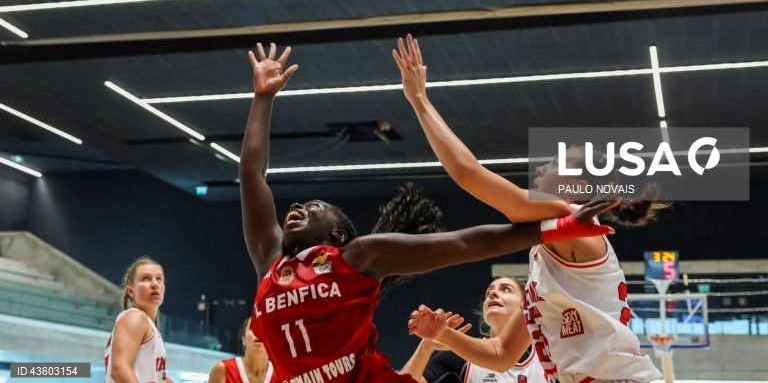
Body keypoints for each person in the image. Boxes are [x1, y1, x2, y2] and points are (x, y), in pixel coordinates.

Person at [239, 43, 616, 383]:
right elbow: (252, 174)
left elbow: (464, 229)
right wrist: (262, 98)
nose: (539, 170)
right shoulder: (272, 264)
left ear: (338, 234)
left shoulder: (353, 258)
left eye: (552, 163)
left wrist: (561, 225)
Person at [394, 34, 664, 383]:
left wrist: (419, 100)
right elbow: (501, 355)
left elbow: (468, 173)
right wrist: (443, 335)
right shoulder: (548, 255)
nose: (540, 169)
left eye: (554, 162)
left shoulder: (568, 218)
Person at [402, 277, 545, 383]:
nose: (492, 294)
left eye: (505, 289)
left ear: (524, 304)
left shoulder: (547, 354)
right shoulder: (460, 357)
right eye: (489, 291)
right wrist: (426, 346)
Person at [105, 257, 168, 383]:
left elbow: (160, 378)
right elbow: (120, 370)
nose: (155, 284)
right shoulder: (135, 317)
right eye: (146, 278)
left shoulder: (148, 325)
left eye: (159, 279)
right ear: (130, 291)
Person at [208, 318, 273, 383]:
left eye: (263, 328)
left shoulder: (281, 374)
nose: (257, 332)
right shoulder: (222, 370)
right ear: (243, 340)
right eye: (252, 328)